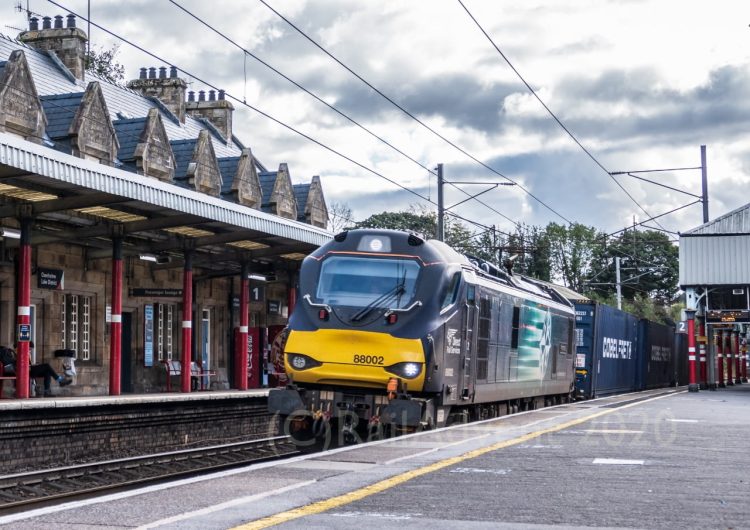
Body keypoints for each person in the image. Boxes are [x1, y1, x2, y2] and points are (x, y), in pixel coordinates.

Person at [0, 343, 72, 397]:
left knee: (47, 372)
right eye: (29, 348)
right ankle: (59, 380)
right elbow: (18, 365)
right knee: (47, 366)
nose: (30, 350)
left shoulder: (20, 353)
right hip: (25, 371)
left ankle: (47, 391)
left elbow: (25, 363)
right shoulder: (18, 352)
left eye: (30, 349)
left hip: (28, 370)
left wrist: (32, 364)